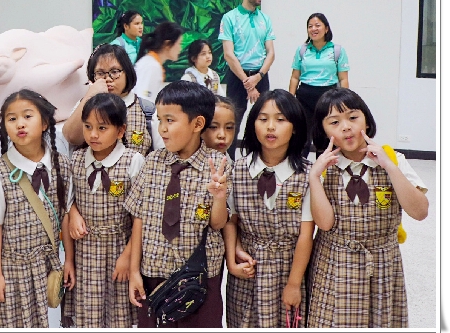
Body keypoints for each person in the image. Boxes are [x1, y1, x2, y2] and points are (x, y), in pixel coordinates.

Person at [307, 88, 428, 328]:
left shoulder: (394, 159)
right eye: (334, 122)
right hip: (334, 262)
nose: (346, 127)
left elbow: (420, 212)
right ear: (323, 131)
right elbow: (325, 223)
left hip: (382, 262)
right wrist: (314, 177)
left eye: (353, 117)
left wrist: (389, 166)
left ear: (367, 121)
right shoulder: (323, 168)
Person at [126, 81, 230, 328]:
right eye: (160, 120)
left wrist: (219, 196)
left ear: (197, 124)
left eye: (170, 120)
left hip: (199, 278)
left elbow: (217, 224)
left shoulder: (218, 165)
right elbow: (138, 218)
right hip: (153, 274)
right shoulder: (152, 162)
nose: (162, 128)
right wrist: (134, 271)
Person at [0, 89, 74, 328]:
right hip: (12, 270)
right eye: (12, 118)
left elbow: (66, 215)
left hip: (47, 266)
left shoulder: (61, 165)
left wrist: (68, 260)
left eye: (28, 116)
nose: (20, 124)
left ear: (45, 123)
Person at [223, 90, 314, 328]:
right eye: (263, 119)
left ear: (295, 127)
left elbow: (306, 235)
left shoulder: (308, 176)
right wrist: (232, 259)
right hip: (247, 271)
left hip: (288, 269)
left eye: (280, 119)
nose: (270, 127)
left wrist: (294, 284)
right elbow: (231, 221)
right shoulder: (237, 170)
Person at [65, 93, 144, 327]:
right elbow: (68, 201)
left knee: (118, 316)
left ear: (120, 131)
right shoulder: (76, 159)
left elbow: (140, 217)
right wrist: (74, 214)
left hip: (120, 251)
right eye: (88, 126)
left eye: (102, 128)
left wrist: (128, 258)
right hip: (85, 254)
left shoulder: (133, 161)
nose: (93, 134)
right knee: (87, 317)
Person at [64, 44, 159, 157]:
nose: (108, 78)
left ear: (127, 72)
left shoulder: (147, 110)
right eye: (100, 73)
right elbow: (71, 137)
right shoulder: (85, 104)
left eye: (114, 72)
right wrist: (91, 95)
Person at [219, 0, 276, 161]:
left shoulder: (265, 19)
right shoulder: (229, 18)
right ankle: (229, 165)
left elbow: (271, 53)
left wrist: (258, 77)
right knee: (232, 122)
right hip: (237, 78)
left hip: (260, 76)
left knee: (265, 120)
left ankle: (263, 163)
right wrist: (247, 82)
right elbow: (228, 54)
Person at [288, 13, 350, 158]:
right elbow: (295, 77)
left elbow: (343, 79)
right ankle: (300, 168)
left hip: (328, 98)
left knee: (325, 138)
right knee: (302, 138)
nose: (313, 29)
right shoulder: (302, 50)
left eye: (317, 25)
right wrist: (290, 100)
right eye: (310, 26)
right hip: (304, 97)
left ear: (326, 28)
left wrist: (344, 102)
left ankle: (323, 169)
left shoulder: (337, 50)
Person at [133, 21, 184, 104]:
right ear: (167, 44)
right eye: (179, 44)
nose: (180, 48)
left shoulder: (152, 63)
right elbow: (143, 102)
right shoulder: (151, 66)